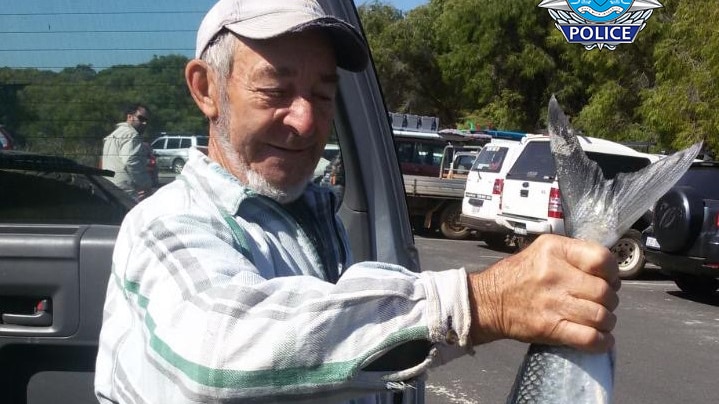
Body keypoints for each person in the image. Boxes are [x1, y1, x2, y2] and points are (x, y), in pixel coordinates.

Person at [95, 1, 620, 403]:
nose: (305, 120)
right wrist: (480, 302)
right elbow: (218, 351)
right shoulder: (162, 224)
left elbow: (340, 362)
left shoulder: (317, 220)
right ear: (205, 89)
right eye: (275, 90)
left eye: (323, 96)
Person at [101, 103, 153, 201]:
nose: (144, 123)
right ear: (129, 117)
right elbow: (131, 161)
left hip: (109, 186)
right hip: (126, 190)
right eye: (141, 119)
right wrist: (145, 185)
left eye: (146, 120)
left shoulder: (113, 135)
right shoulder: (132, 135)